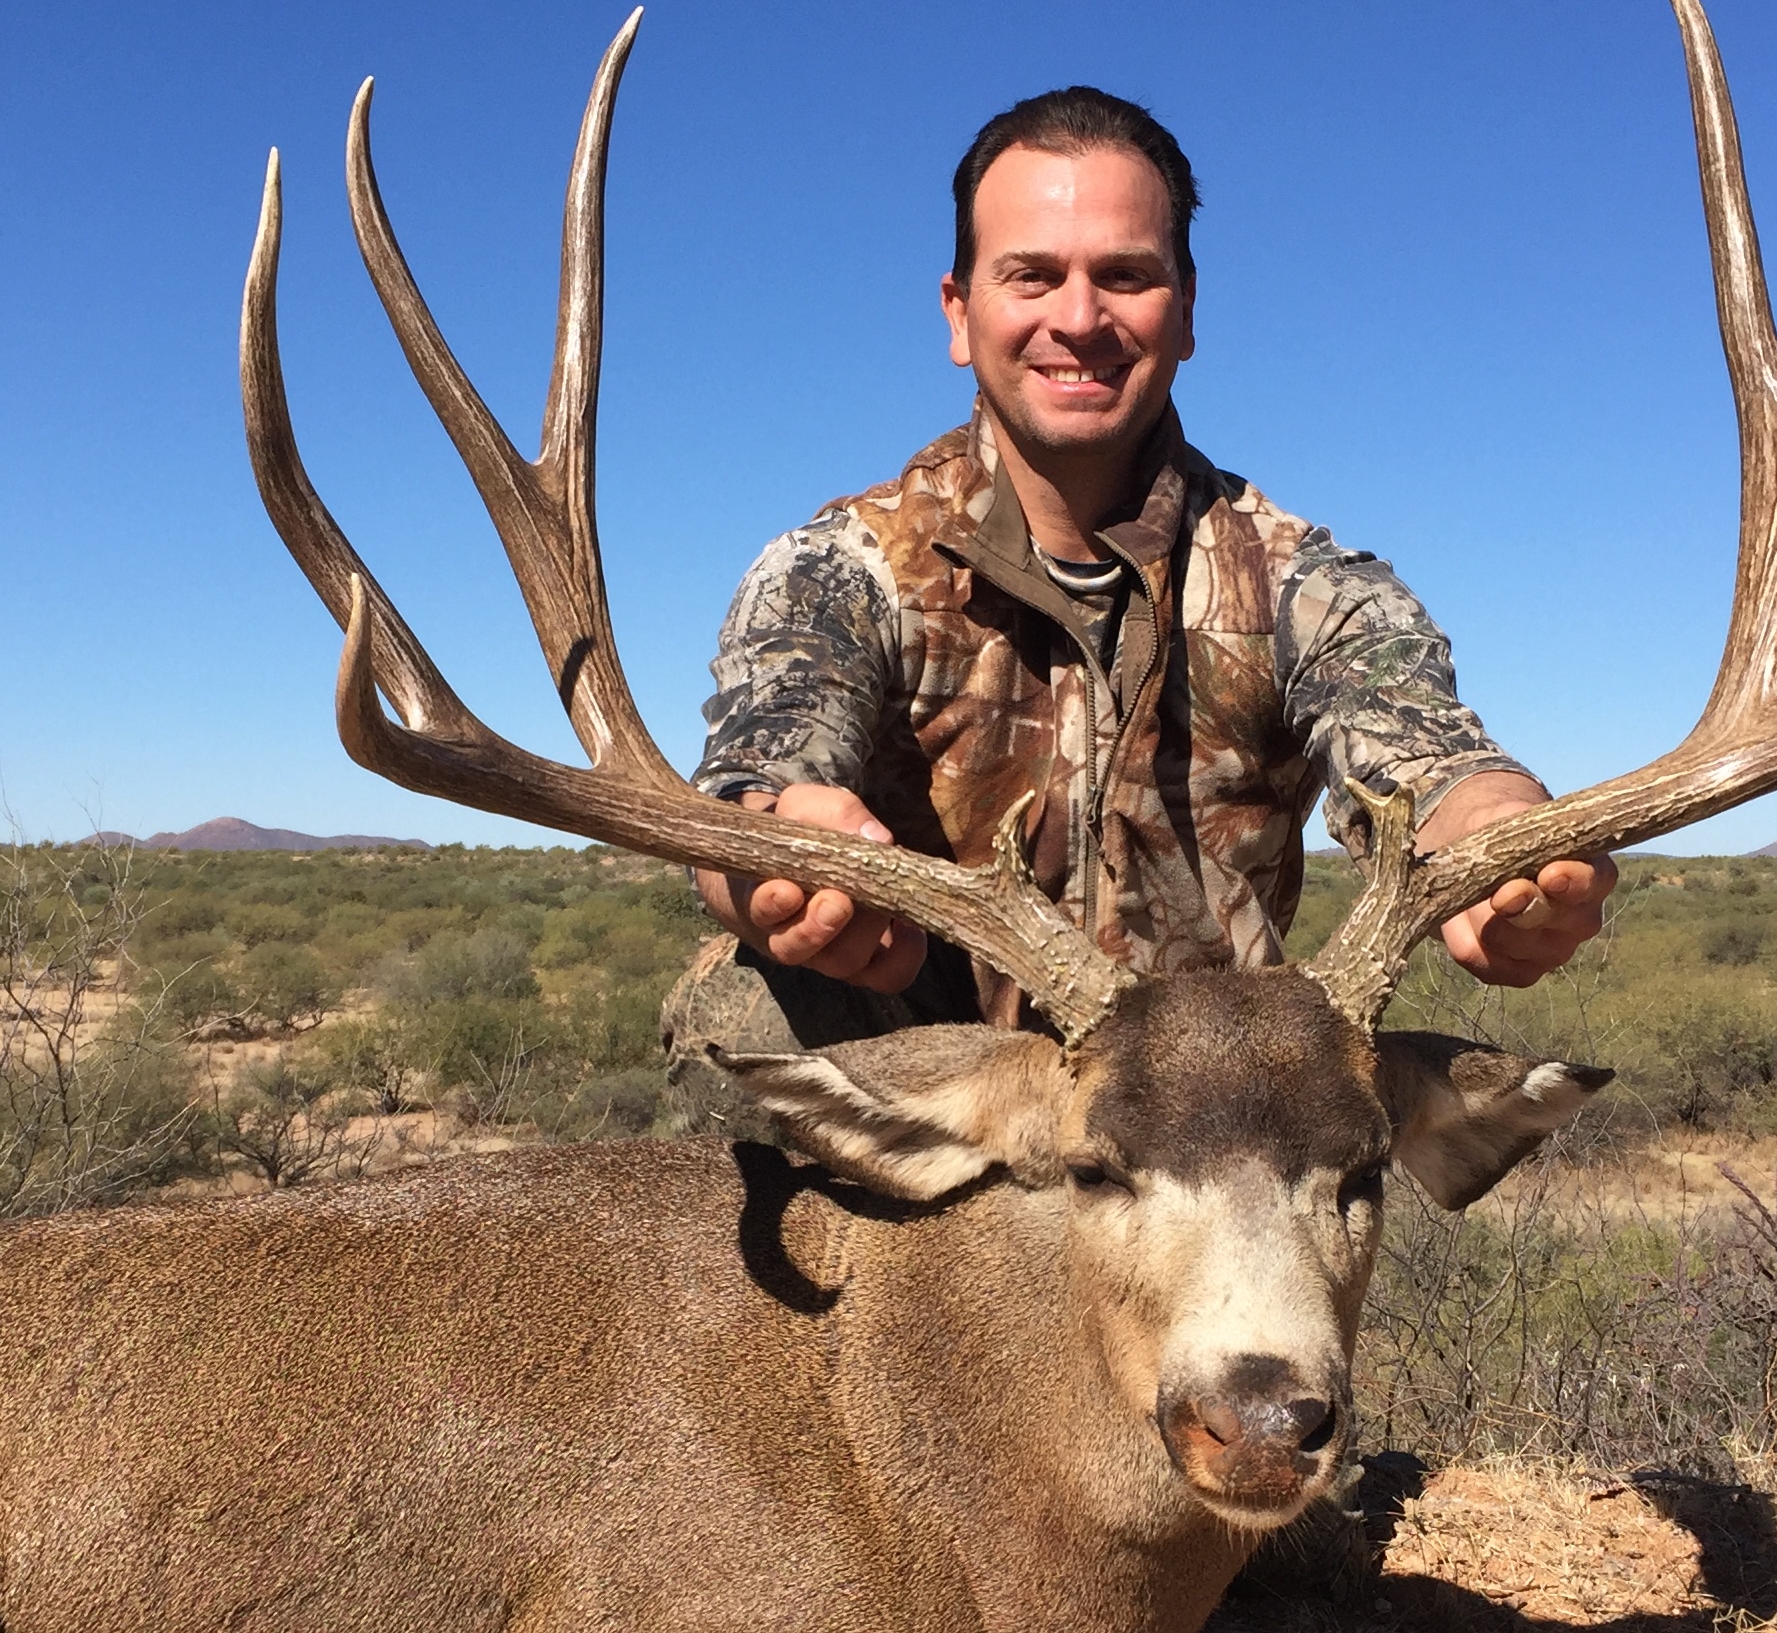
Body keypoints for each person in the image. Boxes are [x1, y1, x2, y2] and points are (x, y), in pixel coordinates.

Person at [662, 84, 1613, 1111]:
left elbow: (1427, 755)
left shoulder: (1302, 583)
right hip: (927, 1116)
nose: (1079, 318)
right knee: (747, 1017)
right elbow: (751, 783)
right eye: (1032, 275)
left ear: (1187, 311)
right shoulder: (841, 570)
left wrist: (1500, 840)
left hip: (1191, 1134)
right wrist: (772, 862)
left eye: (1125, 276)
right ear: (959, 310)